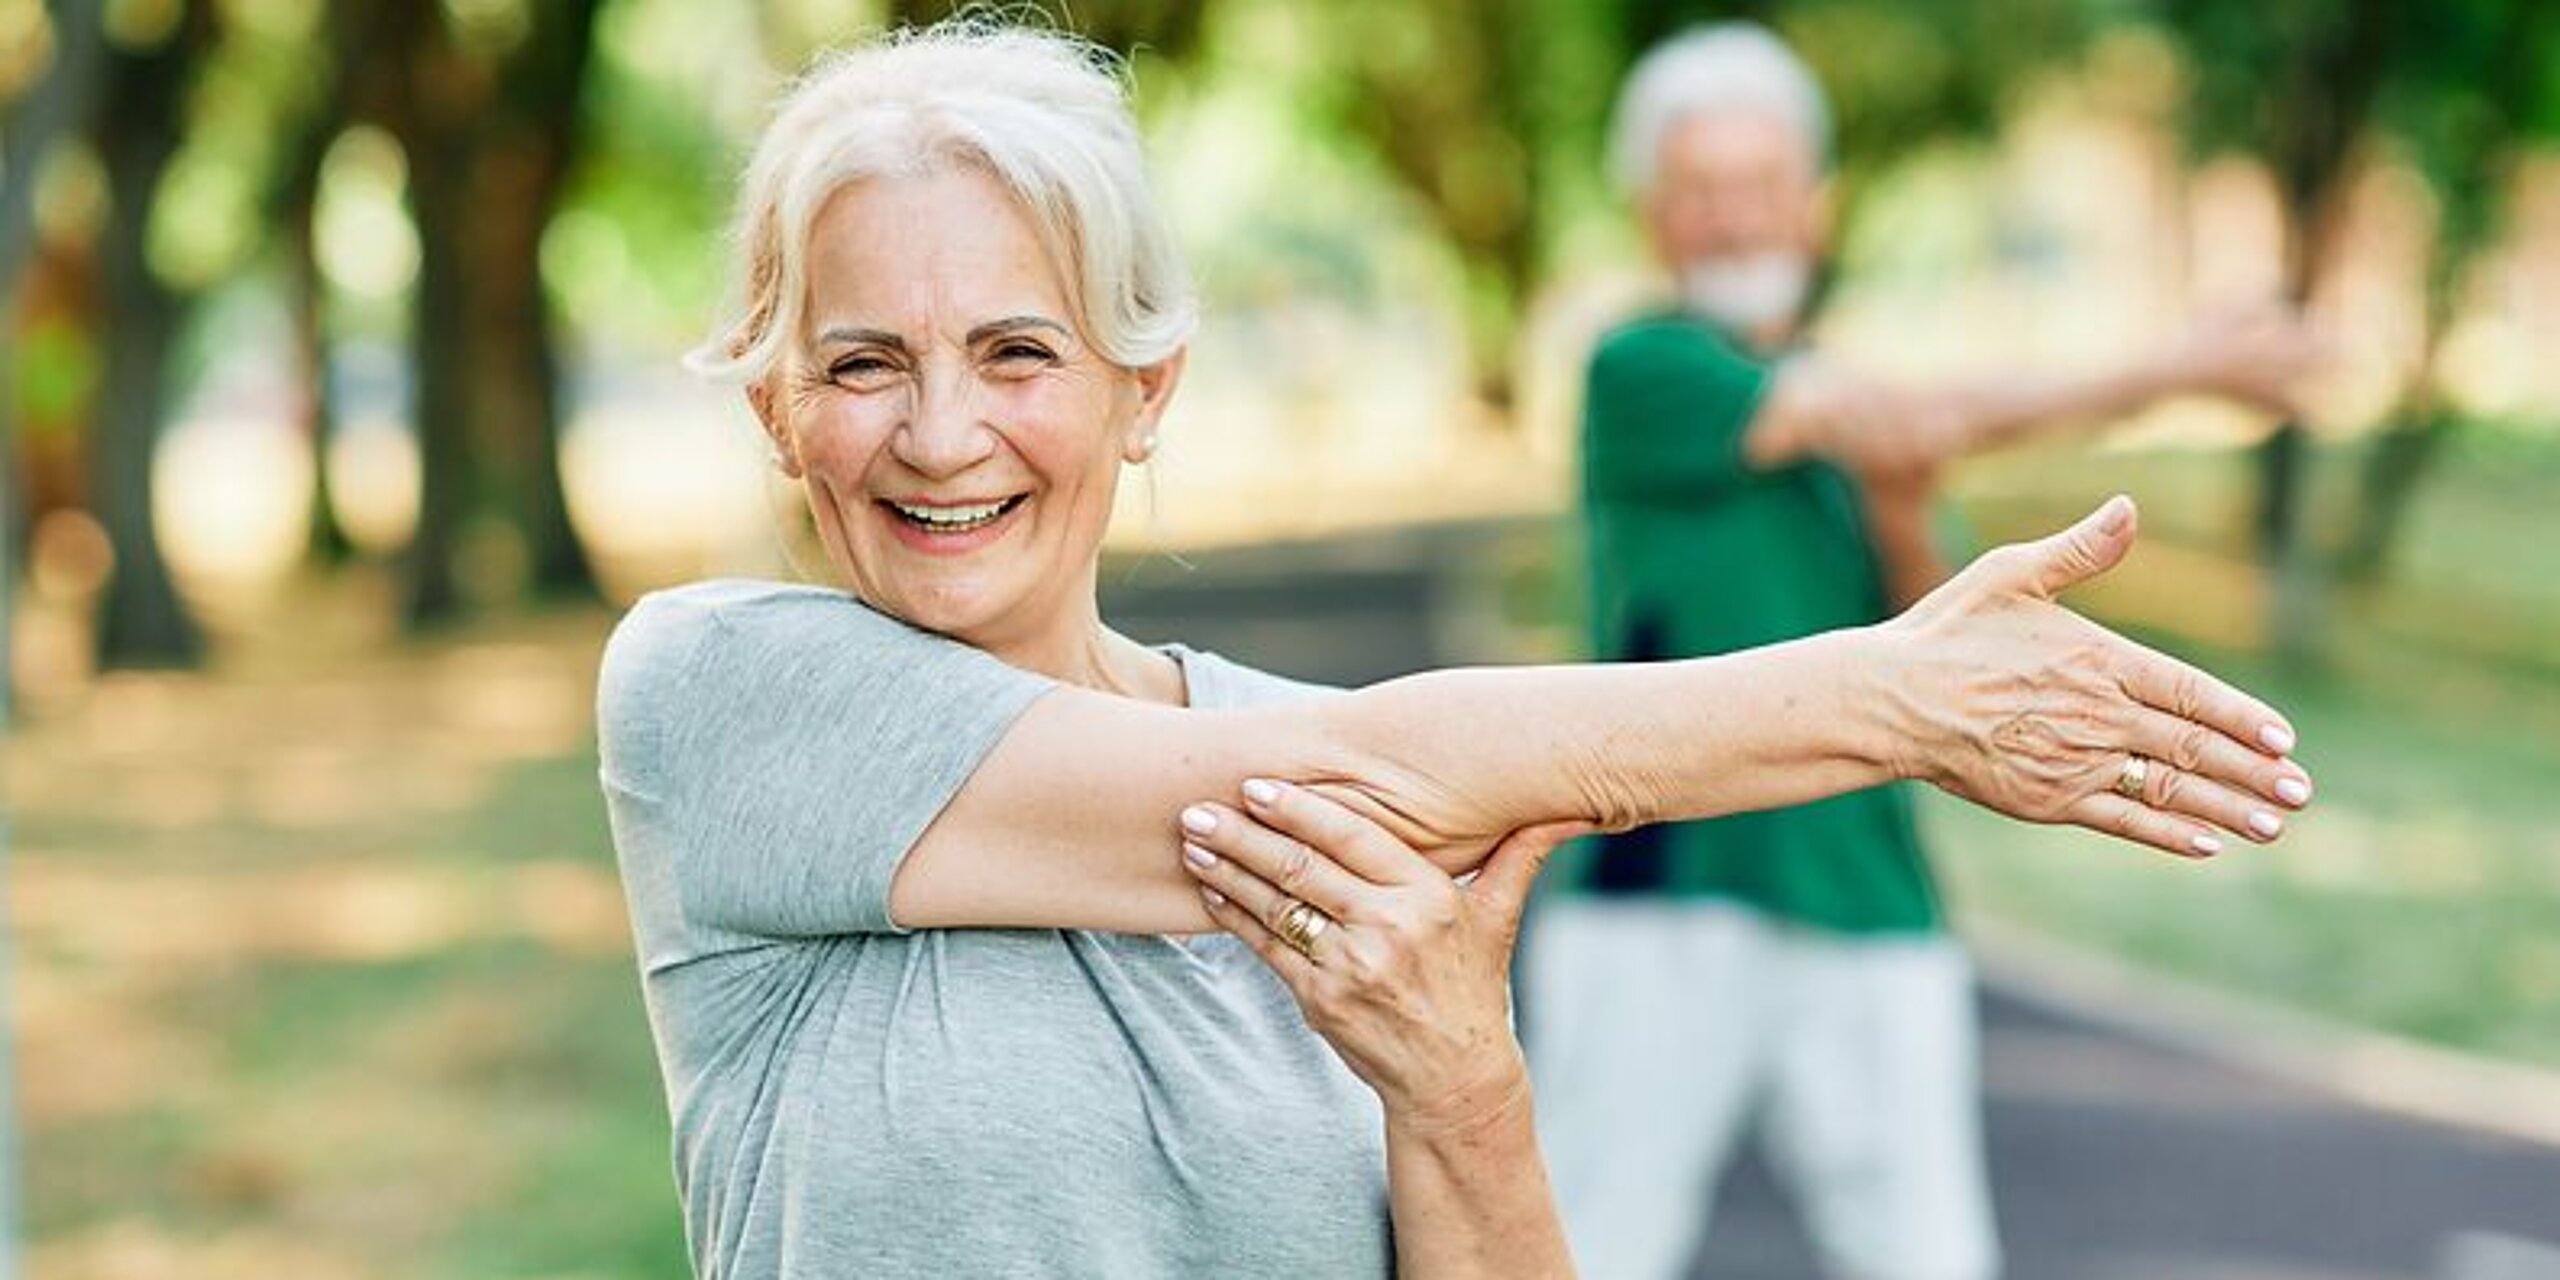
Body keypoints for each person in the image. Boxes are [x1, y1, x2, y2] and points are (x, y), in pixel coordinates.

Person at [593, 20, 2314, 1278]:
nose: (940, 433)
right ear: (776, 409)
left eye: (1018, 351)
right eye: (864, 364)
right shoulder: (720, 696)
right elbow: (1349, 776)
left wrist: (1468, 1094)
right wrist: (1891, 697)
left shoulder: (1355, 781)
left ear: (1147, 391)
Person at [1522, 23, 2323, 1280]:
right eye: (1700, 192)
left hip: (1867, 890)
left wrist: (1901, 495)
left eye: (1760, 188)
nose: (1733, 222)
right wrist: (2175, 368)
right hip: (1658, 890)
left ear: (1816, 206)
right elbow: (1889, 412)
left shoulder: (1863, 415)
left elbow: (1932, 622)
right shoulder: (1647, 370)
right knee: (1583, 1245)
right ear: (1650, 216)